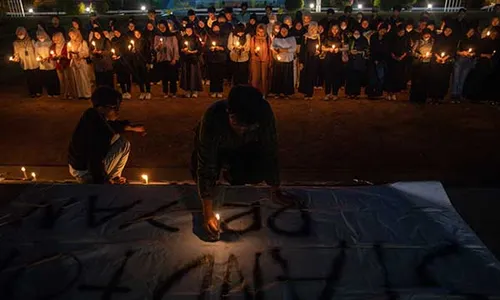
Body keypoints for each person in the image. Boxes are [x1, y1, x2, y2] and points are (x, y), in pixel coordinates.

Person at [192, 85, 292, 239]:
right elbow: (206, 164)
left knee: (255, 172)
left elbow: (270, 150)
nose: (242, 130)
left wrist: (275, 188)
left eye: (249, 127)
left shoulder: (263, 113)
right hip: (218, 149)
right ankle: (224, 169)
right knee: (199, 175)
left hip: (243, 149)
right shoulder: (213, 118)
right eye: (238, 125)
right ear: (229, 114)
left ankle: (231, 173)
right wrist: (207, 213)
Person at [68, 87, 146, 184]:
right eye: (115, 108)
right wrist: (102, 181)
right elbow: (95, 157)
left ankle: (113, 177)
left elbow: (114, 126)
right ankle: (108, 179)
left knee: (122, 142)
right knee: (122, 144)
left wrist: (130, 127)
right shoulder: (99, 129)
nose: (118, 112)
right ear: (102, 108)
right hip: (85, 171)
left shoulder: (92, 115)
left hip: (80, 165)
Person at [463, 28, 499, 103]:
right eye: (493, 33)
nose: (494, 35)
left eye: (496, 33)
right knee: (478, 79)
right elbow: (477, 52)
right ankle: (475, 97)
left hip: (492, 64)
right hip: (482, 63)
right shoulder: (484, 41)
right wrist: (486, 55)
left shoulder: (496, 42)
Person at [429, 26, 457, 104]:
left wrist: (444, 59)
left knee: (443, 80)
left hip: (446, 62)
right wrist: (438, 57)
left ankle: (440, 97)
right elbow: (434, 49)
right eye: (446, 30)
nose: (447, 32)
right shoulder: (438, 38)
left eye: (449, 30)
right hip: (436, 61)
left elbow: (453, 51)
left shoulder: (452, 40)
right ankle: (433, 97)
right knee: (435, 79)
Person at [12, 27, 41, 98]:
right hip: (25, 63)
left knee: (36, 78)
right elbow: (16, 53)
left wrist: (39, 57)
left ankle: (38, 91)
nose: (20, 35)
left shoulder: (31, 41)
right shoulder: (16, 43)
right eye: (19, 34)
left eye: (22, 33)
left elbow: (36, 50)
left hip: (33, 62)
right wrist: (16, 58)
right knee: (29, 78)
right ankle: (32, 92)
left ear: (25, 33)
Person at [451, 27, 478, 102]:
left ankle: (459, 94)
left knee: (463, 78)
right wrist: (461, 53)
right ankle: (454, 94)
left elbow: (477, 50)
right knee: (456, 77)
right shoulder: (461, 39)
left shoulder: (474, 40)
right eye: (470, 30)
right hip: (460, 60)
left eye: (473, 31)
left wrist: (472, 54)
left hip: (469, 61)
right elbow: (455, 50)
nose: (471, 32)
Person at [154, 20, 180, 98]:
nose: (162, 29)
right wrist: (159, 46)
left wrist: (174, 58)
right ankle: (165, 92)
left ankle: (173, 92)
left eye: (163, 27)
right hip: (162, 59)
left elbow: (175, 48)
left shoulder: (172, 36)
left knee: (172, 77)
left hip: (170, 58)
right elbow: (155, 49)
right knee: (164, 77)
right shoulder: (157, 36)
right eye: (160, 27)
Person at [270, 24, 297, 98]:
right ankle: (277, 92)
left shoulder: (292, 38)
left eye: (285, 31)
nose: (284, 32)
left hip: (288, 59)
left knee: (287, 77)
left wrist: (284, 50)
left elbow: (294, 48)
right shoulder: (276, 38)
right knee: (278, 76)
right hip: (279, 60)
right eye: (282, 31)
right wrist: (277, 50)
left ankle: (286, 93)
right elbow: (272, 46)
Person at [386, 25, 411, 100]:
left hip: (401, 61)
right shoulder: (392, 38)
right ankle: (389, 92)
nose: (401, 33)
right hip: (392, 60)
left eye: (403, 32)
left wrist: (402, 57)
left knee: (398, 77)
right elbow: (389, 48)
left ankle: (394, 93)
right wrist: (394, 56)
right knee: (391, 77)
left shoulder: (406, 39)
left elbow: (407, 49)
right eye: (400, 32)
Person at [409, 28, 434, 103]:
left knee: (425, 81)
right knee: (417, 81)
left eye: (428, 34)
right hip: (419, 64)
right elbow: (412, 52)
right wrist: (420, 55)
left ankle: (423, 98)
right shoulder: (418, 41)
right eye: (425, 34)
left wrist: (430, 55)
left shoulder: (432, 41)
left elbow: (434, 50)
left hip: (427, 63)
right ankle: (415, 98)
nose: (427, 36)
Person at [321, 24, 344, 101]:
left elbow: (346, 47)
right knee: (328, 77)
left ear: (339, 29)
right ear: (330, 29)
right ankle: (327, 93)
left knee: (336, 77)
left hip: (337, 60)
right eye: (333, 29)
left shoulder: (341, 37)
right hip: (328, 59)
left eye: (336, 29)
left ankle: (335, 94)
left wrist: (339, 50)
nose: (334, 30)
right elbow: (322, 48)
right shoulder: (327, 38)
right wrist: (329, 49)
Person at [366, 23, 390, 99]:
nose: (383, 31)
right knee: (372, 77)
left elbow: (386, 50)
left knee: (381, 77)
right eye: (382, 29)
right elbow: (372, 48)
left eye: (384, 30)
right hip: (373, 59)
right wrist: (375, 59)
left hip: (382, 60)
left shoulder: (386, 38)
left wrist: (380, 59)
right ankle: (371, 93)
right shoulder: (373, 37)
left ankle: (378, 92)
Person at [67, 28, 91, 99]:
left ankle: (86, 94)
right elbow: (69, 54)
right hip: (74, 63)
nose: (72, 36)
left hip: (82, 62)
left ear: (77, 34)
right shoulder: (69, 43)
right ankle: (80, 94)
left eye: (73, 35)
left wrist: (79, 54)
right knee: (77, 79)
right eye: (70, 35)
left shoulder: (83, 42)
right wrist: (70, 54)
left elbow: (86, 53)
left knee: (84, 78)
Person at [35, 27, 59, 97]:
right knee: (46, 78)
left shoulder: (50, 42)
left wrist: (49, 57)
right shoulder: (37, 44)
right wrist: (39, 58)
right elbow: (36, 53)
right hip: (42, 63)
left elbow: (52, 51)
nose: (40, 37)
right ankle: (49, 92)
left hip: (50, 62)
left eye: (42, 36)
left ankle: (55, 92)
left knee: (52, 77)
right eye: (39, 36)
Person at [299, 22, 321, 100]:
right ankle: (305, 92)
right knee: (305, 75)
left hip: (314, 59)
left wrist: (319, 51)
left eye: (314, 29)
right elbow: (302, 50)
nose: (312, 30)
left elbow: (320, 47)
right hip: (306, 58)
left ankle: (310, 93)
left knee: (312, 75)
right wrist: (301, 61)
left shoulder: (318, 37)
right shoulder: (305, 37)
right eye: (311, 29)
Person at [180, 25, 203, 98]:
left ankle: (195, 91)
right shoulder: (183, 38)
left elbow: (199, 49)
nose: (188, 32)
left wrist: (192, 52)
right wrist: (183, 50)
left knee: (194, 75)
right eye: (187, 30)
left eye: (189, 30)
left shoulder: (196, 38)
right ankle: (188, 90)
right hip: (186, 59)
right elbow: (181, 48)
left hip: (194, 59)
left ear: (192, 30)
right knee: (187, 75)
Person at [345, 29, 369, 99]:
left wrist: (359, 52)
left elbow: (367, 50)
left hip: (359, 61)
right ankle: (349, 93)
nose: (356, 34)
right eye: (355, 32)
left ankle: (356, 93)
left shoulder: (364, 39)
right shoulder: (350, 39)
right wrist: (350, 52)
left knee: (357, 78)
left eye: (357, 33)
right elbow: (346, 48)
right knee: (350, 77)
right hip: (351, 61)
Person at [206, 22, 227, 98]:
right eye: (214, 28)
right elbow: (207, 46)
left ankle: (219, 91)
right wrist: (210, 48)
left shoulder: (223, 36)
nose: (216, 29)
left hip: (221, 58)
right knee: (213, 76)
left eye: (217, 27)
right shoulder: (209, 36)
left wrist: (221, 48)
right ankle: (213, 91)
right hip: (212, 59)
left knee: (220, 76)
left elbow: (226, 47)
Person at [250, 24, 271, 95]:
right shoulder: (253, 38)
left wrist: (270, 60)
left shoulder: (268, 38)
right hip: (256, 60)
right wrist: (255, 52)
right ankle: (254, 93)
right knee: (256, 77)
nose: (260, 33)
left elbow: (270, 50)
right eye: (259, 31)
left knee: (264, 77)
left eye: (262, 31)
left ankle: (264, 93)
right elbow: (252, 50)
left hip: (265, 59)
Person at [130, 30, 152, 100]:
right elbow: (132, 52)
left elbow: (148, 52)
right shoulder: (134, 41)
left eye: (137, 33)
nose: (136, 35)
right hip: (137, 62)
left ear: (140, 33)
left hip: (144, 62)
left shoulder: (144, 41)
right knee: (139, 78)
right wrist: (132, 51)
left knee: (146, 77)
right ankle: (142, 92)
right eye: (135, 34)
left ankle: (148, 92)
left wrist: (148, 62)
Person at [51, 32, 74, 99]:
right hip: (58, 65)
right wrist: (53, 57)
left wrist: (63, 56)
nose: (56, 42)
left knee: (67, 79)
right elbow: (51, 54)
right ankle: (63, 93)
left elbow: (69, 54)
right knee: (61, 80)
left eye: (57, 40)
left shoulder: (66, 45)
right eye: (54, 40)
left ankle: (69, 93)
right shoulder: (53, 46)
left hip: (66, 64)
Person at [110, 28, 131, 99]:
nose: (116, 33)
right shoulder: (113, 40)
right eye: (115, 32)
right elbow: (112, 49)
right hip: (117, 61)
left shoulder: (125, 39)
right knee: (120, 77)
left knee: (127, 76)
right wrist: (113, 55)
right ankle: (124, 91)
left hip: (125, 60)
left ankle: (128, 91)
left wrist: (120, 56)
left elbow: (128, 50)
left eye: (117, 32)